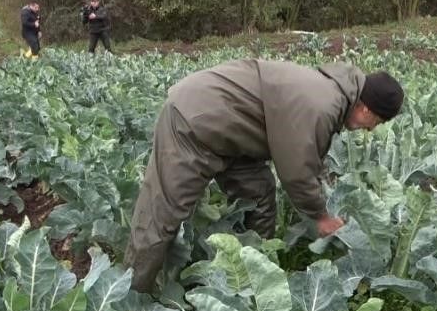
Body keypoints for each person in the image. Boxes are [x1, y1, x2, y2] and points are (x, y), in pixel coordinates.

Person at [124, 58, 405, 293]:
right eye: (377, 122)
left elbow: (307, 151)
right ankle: (130, 301)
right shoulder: (323, 104)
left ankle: (249, 275)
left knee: (259, 195)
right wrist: (321, 216)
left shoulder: (333, 95)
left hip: (236, 134)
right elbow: (297, 170)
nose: (371, 130)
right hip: (195, 120)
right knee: (162, 214)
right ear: (366, 108)